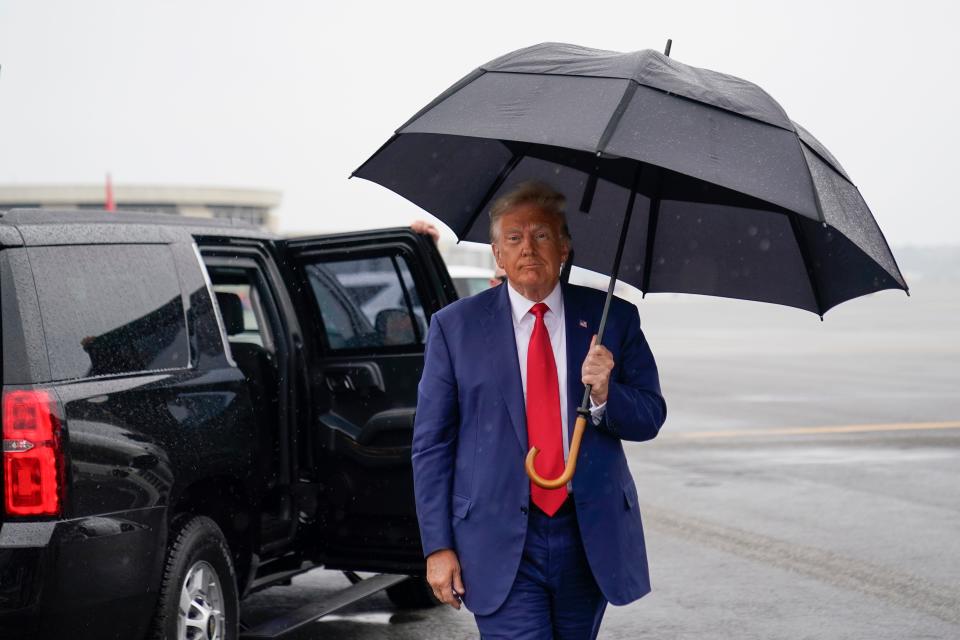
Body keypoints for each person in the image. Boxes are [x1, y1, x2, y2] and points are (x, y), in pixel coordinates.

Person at [412, 180, 666, 639]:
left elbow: (650, 416)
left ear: (565, 247)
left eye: (542, 235)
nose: (528, 247)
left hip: (586, 537)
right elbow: (432, 444)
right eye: (514, 237)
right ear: (497, 254)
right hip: (495, 538)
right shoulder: (455, 328)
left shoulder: (612, 319)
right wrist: (438, 546)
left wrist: (608, 391)